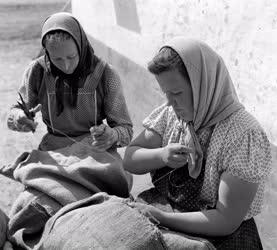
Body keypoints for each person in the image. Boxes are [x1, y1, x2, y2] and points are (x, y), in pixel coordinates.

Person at [123, 37, 272, 249]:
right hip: (165, 208)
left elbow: (226, 220)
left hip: (219, 235)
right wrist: (161, 155)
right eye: (165, 93)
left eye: (176, 93)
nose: (169, 102)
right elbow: (129, 158)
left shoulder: (244, 135)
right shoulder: (172, 115)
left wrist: (161, 218)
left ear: (204, 84)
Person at [7, 12, 133, 152]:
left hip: (95, 149)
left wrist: (112, 135)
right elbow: (15, 112)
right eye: (57, 59)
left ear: (81, 46)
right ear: (47, 53)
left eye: (71, 56)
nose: (66, 66)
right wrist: (20, 117)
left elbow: (126, 130)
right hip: (54, 149)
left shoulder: (105, 74)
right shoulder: (38, 71)